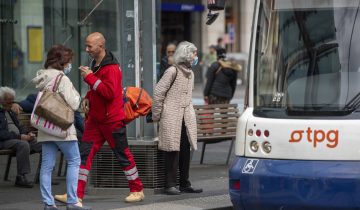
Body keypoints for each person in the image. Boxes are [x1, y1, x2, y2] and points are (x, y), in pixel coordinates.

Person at [55, 32, 144, 204]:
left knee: (122, 154)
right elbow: (99, 89)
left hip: (111, 121)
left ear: (101, 46)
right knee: (84, 155)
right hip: (96, 120)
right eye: (86, 45)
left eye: (90, 46)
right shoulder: (97, 63)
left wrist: (89, 77)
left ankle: (137, 190)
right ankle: (75, 194)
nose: (86, 49)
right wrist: (88, 96)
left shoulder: (110, 67)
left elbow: (109, 93)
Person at [32, 44, 90, 210]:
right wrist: (78, 95)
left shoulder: (42, 77)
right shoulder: (62, 79)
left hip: (45, 127)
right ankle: (72, 201)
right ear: (62, 62)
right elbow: (74, 103)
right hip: (61, 128)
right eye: (69, 61)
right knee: (74, 160)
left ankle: (48, 203)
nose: (70, 64)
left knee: (47, 165)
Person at [152, 41, 203, 195]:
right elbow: (158, 92)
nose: (196, 56)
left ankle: (184, 183)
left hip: (185, 117)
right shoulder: (172, 71)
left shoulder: (191, 73)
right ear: (187, 55)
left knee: (185, 150)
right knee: (172, 150)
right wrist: (157, 114)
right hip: (171, 115)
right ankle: (170, 184)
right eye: (194, 53)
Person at [0, 86, 41, 188]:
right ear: (1, 100)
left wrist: (28, 133)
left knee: (41, 143)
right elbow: (1, 133)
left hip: (16, 138)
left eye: (12, 102)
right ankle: (21, 177)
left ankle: (43, 175)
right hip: (4, 141)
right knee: (23, 144)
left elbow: (20, 125)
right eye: (8, 102)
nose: (11, 104)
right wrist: (20, 137)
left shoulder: (9, 110)